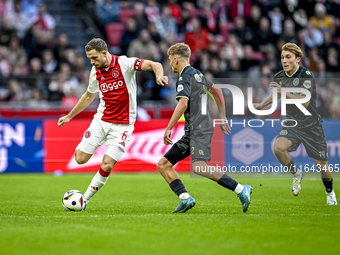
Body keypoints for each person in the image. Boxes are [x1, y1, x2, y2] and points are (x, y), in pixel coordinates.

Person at [58, 38, 168, 209]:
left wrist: (159, 75)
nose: (92, 62)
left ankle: (84, 199)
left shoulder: (124, 63)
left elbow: (155, 64)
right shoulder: (95, 72)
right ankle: (90, 142)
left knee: (107, 164)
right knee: (80, 158)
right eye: (89, 59)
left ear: (104, 53)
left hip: (123, 126)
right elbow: (88, 96)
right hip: (101, 121)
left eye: (94, 58)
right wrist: (69, 116)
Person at [157, 43, 252, 213]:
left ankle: (240, 189)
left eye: (171, 60)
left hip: (198, 129)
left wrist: (169, 127)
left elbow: (183, 103)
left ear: (176, 59)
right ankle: (185, 198)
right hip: (196, 129)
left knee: (199, 167)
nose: (170, 64)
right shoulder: (197, 74)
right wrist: (222, 117)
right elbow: (217, 90)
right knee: (164, 164)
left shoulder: (185, 76)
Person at [253, 42, 337, 205]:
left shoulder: (306, 76)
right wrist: (262, 105)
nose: (284, 61)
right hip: (293, 124)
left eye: (288, 57)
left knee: (322, 166)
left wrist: (284, 91)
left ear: (298, 59)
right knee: (278, 148)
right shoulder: (279, 77)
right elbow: (276, 94)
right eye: (282, 57)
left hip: (312, 125)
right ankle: (296, 173)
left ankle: (330, 192)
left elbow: (304, 102)